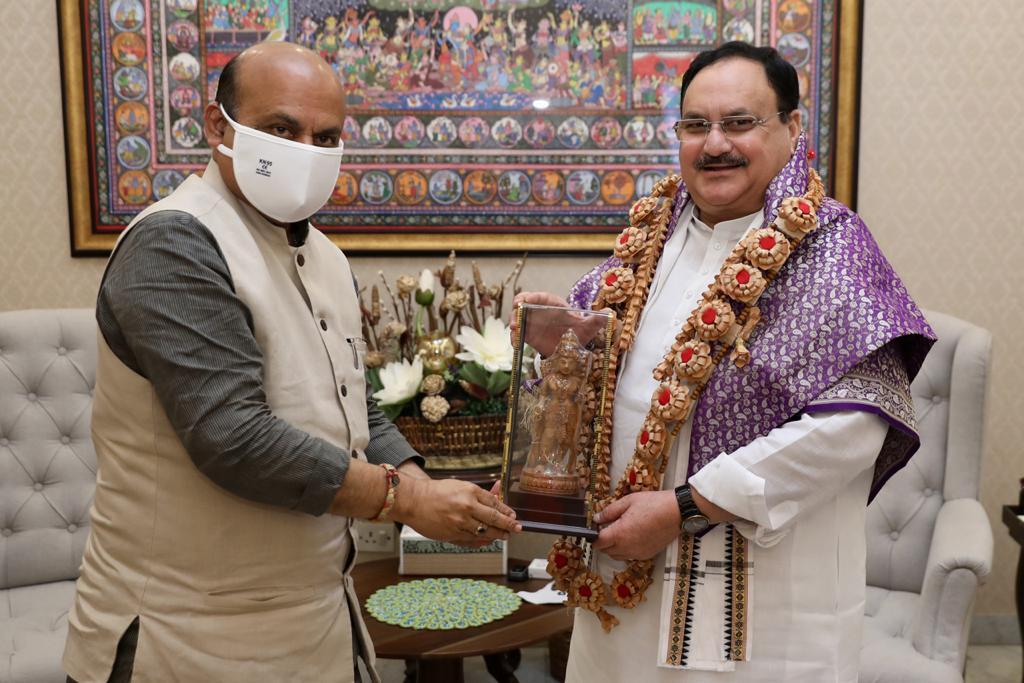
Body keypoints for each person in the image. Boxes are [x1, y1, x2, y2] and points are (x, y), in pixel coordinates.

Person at [63, 41, 520, 683]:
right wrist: (404, 501)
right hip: (185, 637)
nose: (305, 149)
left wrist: (425, 484)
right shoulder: (172, 244)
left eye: (325, 135)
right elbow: (235, 438)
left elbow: (349, 403)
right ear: (218, 125)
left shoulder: (327, 257)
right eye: (281, 128)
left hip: (318, 624)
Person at [512, 41, 934, 682]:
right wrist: (565, 345)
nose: (715, 145)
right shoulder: (653, 236)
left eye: (740, 123)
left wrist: (686, 507)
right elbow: (616, 381)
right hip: (624, 575)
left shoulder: (835, 249)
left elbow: (853, 430)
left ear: (792, 129)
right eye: (695, 125)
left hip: (765, 599)